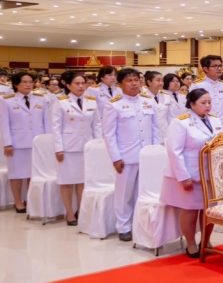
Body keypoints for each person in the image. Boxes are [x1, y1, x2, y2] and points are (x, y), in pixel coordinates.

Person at [161, 88, 223, 257]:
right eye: (203, 103)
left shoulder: (215, 120)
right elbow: (174, 151)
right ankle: (190, 244)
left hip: (211, 174)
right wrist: (183, 177)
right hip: (191, 173)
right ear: (192, 104)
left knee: (209, 210)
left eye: (209, 102)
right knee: (190, 210)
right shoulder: (181, 122)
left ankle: (206, 240)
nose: (208, 106)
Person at [103, 68, 160, 240]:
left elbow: (156, 129)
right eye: (129, 80)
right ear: (120, 84)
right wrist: (116, 157)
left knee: (143, 192)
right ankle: (123, 227)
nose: (134, 83)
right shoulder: (114, 104)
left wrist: (155, 153)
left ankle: (139, 225)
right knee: (124, 194)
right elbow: (109, 134)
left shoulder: (148, 101)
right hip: (126, 157)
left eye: (136, 80)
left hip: (147, 157)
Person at [51, 71, 100, 225]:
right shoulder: (61, 102)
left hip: (87, 147)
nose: (80, 86)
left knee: (82, 182)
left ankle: (81, 211)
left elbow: (97, 125)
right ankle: (69, 213)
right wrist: (58, 148)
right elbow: (56, 127)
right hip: (68, 147)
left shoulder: (91, 101)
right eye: (77, 83)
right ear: (68, 85)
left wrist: (98, 145)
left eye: (83, 83)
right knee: (66, 181)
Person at [2, 71, 51, 213]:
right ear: (16, 84)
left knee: (33, 174)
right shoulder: (6, 100)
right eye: (24, 82)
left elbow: (46, 122)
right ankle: (18, 201)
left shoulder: (41, 99)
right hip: (17, 143)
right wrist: (7, 143)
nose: (28, 84)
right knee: (16, 174)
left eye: (30, 82)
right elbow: (4, 124)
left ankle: (30, 200)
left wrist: (47, 142)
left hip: (37, 143)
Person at [192, 55, 223, 136]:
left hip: (222, 128)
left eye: (220, 66)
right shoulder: (197, 85)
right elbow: (192, 109)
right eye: (215, 66)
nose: (219, 68)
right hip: (204, 129)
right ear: (205, 69)